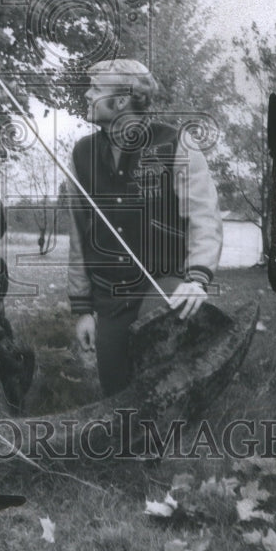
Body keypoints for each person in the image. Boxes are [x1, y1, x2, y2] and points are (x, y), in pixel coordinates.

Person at [67, 59, 223, 395]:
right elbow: (79, 237)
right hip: (110, 297)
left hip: (163, 287)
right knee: (117, 394)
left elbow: (204, 218)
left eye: (95, 88)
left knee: (157, 387)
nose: (87, 94)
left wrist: (197, 278)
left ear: (121, 100)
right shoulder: (81, 154)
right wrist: (82, 310)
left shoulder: (177, 144)